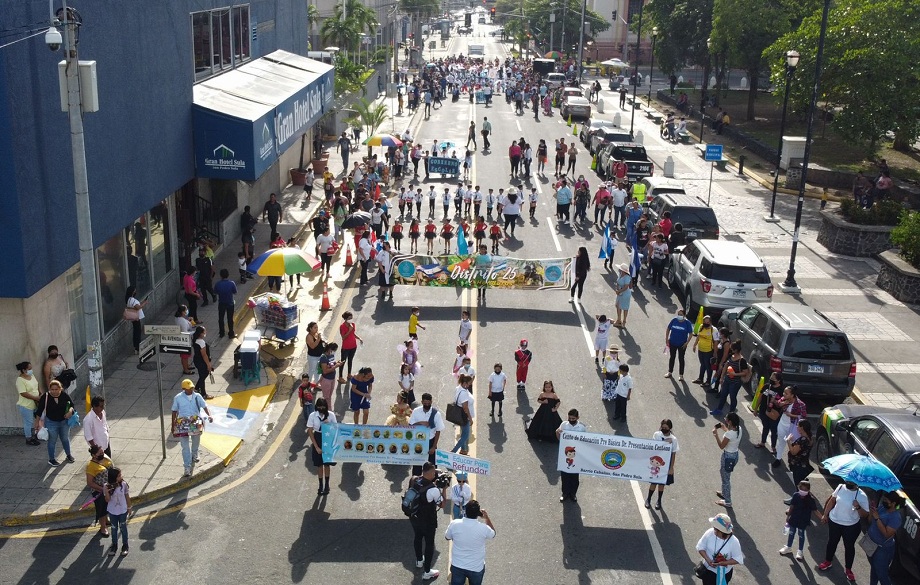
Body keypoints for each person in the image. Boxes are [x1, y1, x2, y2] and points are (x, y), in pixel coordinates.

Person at [818, 480, 870, 580]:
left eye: (851, 481)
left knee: (849, 547)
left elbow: (865, 514)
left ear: (856, 483)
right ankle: (828, 561)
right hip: (834, 522)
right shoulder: (840, 487)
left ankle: (848, 569)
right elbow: (832, 500)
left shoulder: (861, 495)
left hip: (851, 526)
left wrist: (858, 506)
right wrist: (825, 514)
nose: (848, 482)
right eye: (847, 480)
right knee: (832, 542)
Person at [445, 499, 496, 584]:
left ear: (465, 511)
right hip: (476, 567)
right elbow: (493, 534)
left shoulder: (454, 524)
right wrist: (487, 518)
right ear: (478, 514)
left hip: (458, 565)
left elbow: (447, 537)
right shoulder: (483, 528)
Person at [408, 462, 445, 580]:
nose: (435, 474)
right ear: (430, 473)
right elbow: (442, 504)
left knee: (417, 538)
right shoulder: (433, 490)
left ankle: (419, 560)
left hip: (415, 518)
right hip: (428, 521)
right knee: (429, 545)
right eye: (434, 472)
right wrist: (444, 489)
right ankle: (427, 572)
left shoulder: (415, 480)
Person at [171, 379, 213, 477]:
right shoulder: (178, 398)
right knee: (185, 447)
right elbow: (174, 411)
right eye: (189, 388)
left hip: (196, 421)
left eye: (192, 387)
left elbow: (204, 406)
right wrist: (173, 426)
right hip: (183, 423)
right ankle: (187, 467)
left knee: (196, 440)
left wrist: (209, 415)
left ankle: (195, 453)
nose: (192, 389)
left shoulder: (197, 396)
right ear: (183, 389)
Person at [779, 479, 823, 561]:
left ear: (808, 490)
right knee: (791, 533)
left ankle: (800, 551)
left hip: (803, 521)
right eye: (801, 489)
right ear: (799, 488)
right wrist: (788, 516)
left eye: (805, 490)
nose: (803, 491)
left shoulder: (811, 500)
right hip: (794, 518)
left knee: (801, 535)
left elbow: (815, 510)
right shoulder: (796, 495)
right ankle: (788, 547)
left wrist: (822, 518)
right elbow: (791, 506)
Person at [34, 379, 76, 466]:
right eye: (52, 389)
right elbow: (39, 411)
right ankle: (52, 459)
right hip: (51, 422)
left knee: (65, 438)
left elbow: (72, 406)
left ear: (60, 389)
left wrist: (70, 412)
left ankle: (68, 455)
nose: (54, 391)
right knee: (52, 441)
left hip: (64, 422)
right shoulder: (45, 397)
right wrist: (36, 423)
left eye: (56, 389)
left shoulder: (64, 395)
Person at [864, 491, 902, 585]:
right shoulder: (881, 508)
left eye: (886, 501)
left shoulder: (895, 517)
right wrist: (871, 511)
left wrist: (877, 518)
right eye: (884, 500)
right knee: (874, 569)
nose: (884, 502)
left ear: (893, 504)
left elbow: (887, 534)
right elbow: (869, 521)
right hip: (872, 544)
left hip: (882, 549)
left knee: (882, 574)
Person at [696, 513, 744, 585]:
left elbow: (738, 559)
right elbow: (700, 547)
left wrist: (724, 563)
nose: (713, 528)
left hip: (723, 574)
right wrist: (708, 560)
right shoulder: (710, 533)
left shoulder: (734, 542)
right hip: (707, 570)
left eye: (715, 528)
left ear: (721, 531)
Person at [710, 340, 751, 416]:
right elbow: (726, 366)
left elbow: (745, 372)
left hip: (736, 382)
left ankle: (731, 413)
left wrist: (735, 374)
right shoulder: (731, 356)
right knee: (723, 395)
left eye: (732, 349)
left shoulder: (742, 360)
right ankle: (719, 409)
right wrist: (722, 377)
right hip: (727, 380)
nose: (731, 350)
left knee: (732, 397)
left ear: (735, 350)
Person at [645, 419, 679, 510]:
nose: (664, 429)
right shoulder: (657, 434)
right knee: (653, 482)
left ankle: (659, 500)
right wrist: (665, 442)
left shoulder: (674, 439)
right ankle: (648, 499)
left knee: (661, 483)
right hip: (656, 463)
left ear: (670, 428)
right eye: (662, 427)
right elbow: (653, 446)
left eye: (666, 428)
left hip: (665, 464)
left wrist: (671, 467)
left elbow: (673, 453)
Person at [307, 397, 337, 495]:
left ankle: (327, 485)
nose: (321, 408)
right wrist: (316, 447)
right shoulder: (313, 415)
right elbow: (310, 431)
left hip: (328, 438)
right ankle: (320, 485)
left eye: (323, 406)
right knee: (319, 465)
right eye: (319, 406)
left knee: (327, 464)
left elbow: (336, 429)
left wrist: (329, 424)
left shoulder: (331, 415)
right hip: (318, 437)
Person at [409, 393, 445, 474]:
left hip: (430, 441)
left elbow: (438, 431)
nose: (427, 405)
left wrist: (433, 447)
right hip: (418, 441)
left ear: (431, 402)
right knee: (417, 465)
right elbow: (410, 425)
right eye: (425, 403)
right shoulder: (416, 411)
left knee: (431, 467)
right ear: (422, 402)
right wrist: (421, 423)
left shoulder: (436, 414)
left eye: (428, 403)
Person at [556, 409, 587, 502]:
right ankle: (565, 493)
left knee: (574, 476)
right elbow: (558, 437)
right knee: (565, 475)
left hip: (576, 454)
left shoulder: (581, 427)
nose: (571, 419)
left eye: (573, 418)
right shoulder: (564, 424)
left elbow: (585, 440)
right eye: (569, 418)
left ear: (577, 418)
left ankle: (573, 493)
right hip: (565, 453)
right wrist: (558, 433)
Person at [773, 384, 807, 468]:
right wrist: (781, 404)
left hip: (793, 427)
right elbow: (778, 404)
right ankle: (778, 459)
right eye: (784, 392)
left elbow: (803, 416)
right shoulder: (784, 399)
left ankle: (795, 462)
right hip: (782, 424)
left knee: (794, 445)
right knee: (781, 442)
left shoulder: (800, 404)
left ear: (792, 395)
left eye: (786, 393)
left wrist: (791, 415)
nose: (783, 394)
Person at [713, 412, 742, 508]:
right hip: (735, 455)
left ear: (730, 421)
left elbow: (721, 446)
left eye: (726, 419)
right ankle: (725, 492)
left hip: (728, 457)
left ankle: (728, 501)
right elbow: (730, 435)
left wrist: (716, 435)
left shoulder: (729, 434)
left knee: (726, 479)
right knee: (724, 474)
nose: (725, 419)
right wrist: (723, 428)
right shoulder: (739, 429)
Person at [85, 444, 113, 537]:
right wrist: (103, 489)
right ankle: (103, 527)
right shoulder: (91, 466)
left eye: (103, 452)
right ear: (93, 455)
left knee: (107, 506)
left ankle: (106, 520)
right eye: (100, 453)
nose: (102, 454)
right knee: (101, 508)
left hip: (107, 489)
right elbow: (90, 483)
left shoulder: (103, 460)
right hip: (99, 491)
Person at [104, 466, 131, 556]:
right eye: (119, 475)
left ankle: (125, 545)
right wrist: (107, 492)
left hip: (122, 510)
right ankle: (114, 545)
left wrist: (129, 507)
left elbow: (127, 496)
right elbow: (107, 500)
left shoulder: (123, 484)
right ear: (113, 477)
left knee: (123, 527)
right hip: (112, 511)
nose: (121, 476)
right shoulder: (106, 486)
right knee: (114, 528)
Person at [755, 372, 783, 453]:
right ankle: (762, 442)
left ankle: (773, 447)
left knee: (774, 430)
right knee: (765, 427)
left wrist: (775, 402)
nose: (771, 379)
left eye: (773, 379)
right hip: (764, 411)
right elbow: (760, 397)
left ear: (778, 381)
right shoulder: (766, 386)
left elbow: (782, 403)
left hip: (774, 413)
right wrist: (756, 409)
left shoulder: (781, 390)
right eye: (771, 377)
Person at [15, 361, 42, 446]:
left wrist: (40, 393)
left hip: (36, 403)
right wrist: (35, 398)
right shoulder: (20, 380)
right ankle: (29, 438)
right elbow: (23, 393)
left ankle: (36, 434)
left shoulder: (31, 375)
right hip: (26, 405)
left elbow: (37, 385)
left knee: (38, 419)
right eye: (29, 369)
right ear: (23, 370)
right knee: (28, 422)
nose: (31, 370)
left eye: (31, 368)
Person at [785, 419, 814, 494]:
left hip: (798, 465)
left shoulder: (802, 439)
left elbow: (793, 452)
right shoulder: (809, 438)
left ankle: (797, 499)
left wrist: (788, 441)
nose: (797, 427)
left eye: (798, 425)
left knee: (798, 484)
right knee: (801, 483)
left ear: (802, 428)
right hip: (804, 463)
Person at [664, 309, 694, 381]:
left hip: (682, 344)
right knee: (672, 357)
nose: (679, 316)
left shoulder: (687, 323)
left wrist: (687, 343)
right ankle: (670, 372)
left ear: (684, 315)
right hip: (672, 342)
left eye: (681, 315)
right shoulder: (674, 320)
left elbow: (691, 333)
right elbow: (668, 329)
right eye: (678, 314)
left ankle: (681, 375)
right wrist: (667, 339)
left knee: (681, 359)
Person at [692, 315, 718, 388]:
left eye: (708, 322)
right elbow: (698, 336)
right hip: (701, 349)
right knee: (702, 364)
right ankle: (700, 378)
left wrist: (715, 353)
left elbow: (716, 342)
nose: (706, 323)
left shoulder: (714, 330)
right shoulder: (701, 326)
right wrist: (694, 345)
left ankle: (708, 381)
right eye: (705, 322)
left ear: (710, 322)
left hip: (708, 351)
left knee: (708, 366)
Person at [338, 311, 362, 382]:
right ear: (345, 319)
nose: (351, 319)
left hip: (353, 346)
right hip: (346, 347)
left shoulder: (352, 324)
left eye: (351, 318)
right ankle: (340, 377)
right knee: (343, 361)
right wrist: (349, 330)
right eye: (349, 318)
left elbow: (353, 334)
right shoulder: (342, 326)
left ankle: (349, 374)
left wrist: (359, 338)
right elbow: (343, 337)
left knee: (350, 360)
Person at [213, 269, 238, 339]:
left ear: (221, 276)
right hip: (230, 303)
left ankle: (221, 333)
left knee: (221, 318)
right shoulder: (231, 283)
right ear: (228, 275)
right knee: (230, 318)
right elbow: (235, 292)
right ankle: (231, 333)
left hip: (221, 303)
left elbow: (215, 292)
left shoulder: (218, 284)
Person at [191, 326, 214, 400]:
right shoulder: (201, 342)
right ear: (200, 333)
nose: (205, 333)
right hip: (202, 362)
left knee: (202, 376)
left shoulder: (195, 340)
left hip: (197, 360)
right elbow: (204, 355)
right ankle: (199, 390)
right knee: (203, 375)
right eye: (204, 332)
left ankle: (200, 391)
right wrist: (208, 365)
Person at [124, 285, 148, 353]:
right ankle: (138, 347)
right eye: (134, 290)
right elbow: (138, 307)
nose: (135, 292)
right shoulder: (132, 299)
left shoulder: (128, 299)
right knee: (137, 332)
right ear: (132, 292)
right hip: (136, 318)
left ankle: (136, 347)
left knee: (136, 332)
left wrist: (142, 303)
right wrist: (144, 303)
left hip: (133, 318)